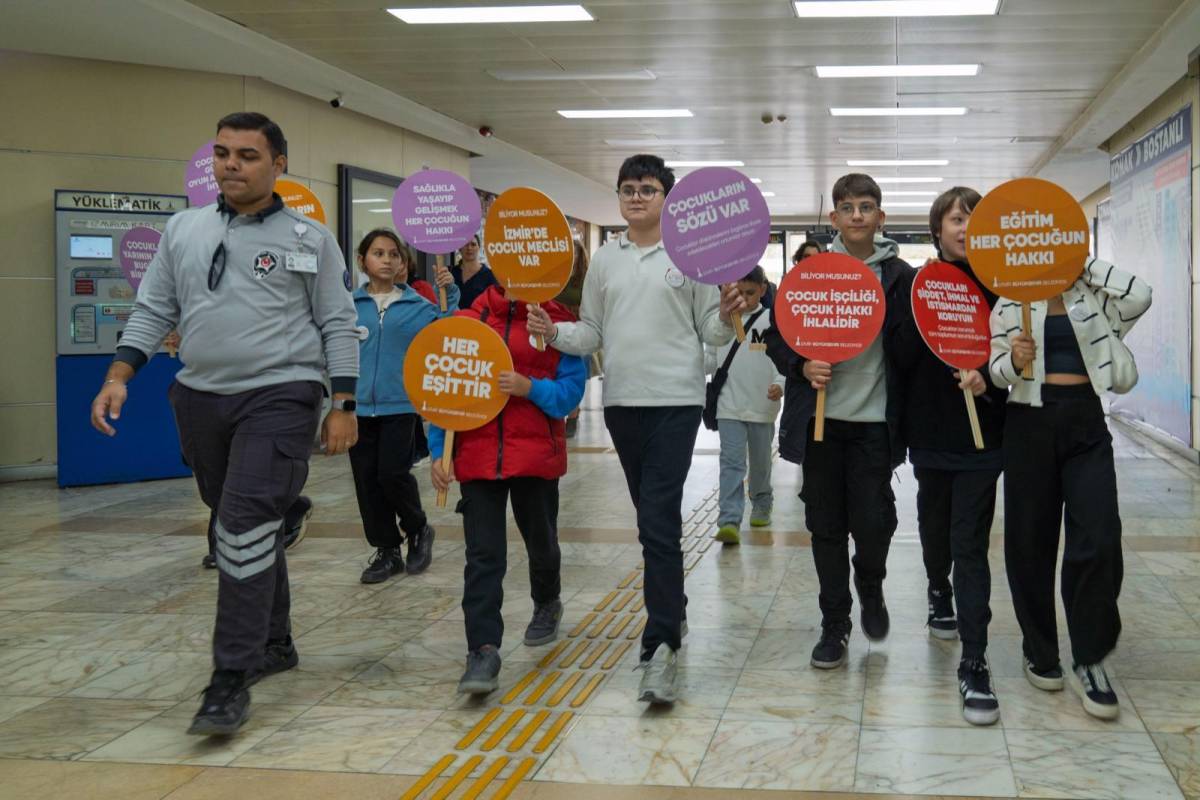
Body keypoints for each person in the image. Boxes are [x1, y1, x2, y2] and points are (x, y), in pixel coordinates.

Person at [89, 112, 359, 736]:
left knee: (238, 526)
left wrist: (342, 403)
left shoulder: (308, 238)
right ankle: (275, 641)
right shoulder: (182, 229)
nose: (231, 165)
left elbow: (338, 322)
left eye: (247, 155)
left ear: (278, 165)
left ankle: (230, 679)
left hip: (282, 393)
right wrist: (118, 376)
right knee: (239, 519)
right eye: (222, 153)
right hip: (200, 396)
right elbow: (155, 306)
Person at [527, 153, 745, 704]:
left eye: (648, 188)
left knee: (657, 522)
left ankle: (660, 644)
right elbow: (592, 332)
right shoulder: (605, 260)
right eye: (628, 188)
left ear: (667, 198)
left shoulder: (690, 255)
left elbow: (711, 335)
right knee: (653, 518)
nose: (637, 197)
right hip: (622, 404)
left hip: (675, 401)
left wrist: (724, 311)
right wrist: (553, 332)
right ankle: (675, 609)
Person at [990, 254, 1151, 721]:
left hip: (1085, 421)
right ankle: (1039, 649)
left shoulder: (1093, 295)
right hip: (1027, 424)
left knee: (1098, 537)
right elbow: (996, 370)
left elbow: (1141, 294)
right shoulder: (1010, 302)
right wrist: (1013, 362)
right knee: (1029, 543)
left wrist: (1083, 264)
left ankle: (1090, 655)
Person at [764, 173, 911, 670]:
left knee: (873, 523)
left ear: (880, 217)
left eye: (866, 207)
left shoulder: (901, 277)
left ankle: (870, 582)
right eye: (846, 207)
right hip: (821, 424)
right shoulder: (813, 273)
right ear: (834, 218)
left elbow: (914, 345)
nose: (856, 216)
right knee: (825, 526)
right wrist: (802, 365)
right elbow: (780, 337)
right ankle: (835, 623)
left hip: (874, 423)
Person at [429, 284, 586, 694]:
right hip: (478, 459)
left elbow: (570, 393)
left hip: (535, 458)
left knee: (541, 541)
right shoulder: (466, 321)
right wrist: (437, 453)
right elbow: (444, 389)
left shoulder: (559, 324)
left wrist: (529, 387)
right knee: (483, 556)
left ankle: (547, 600)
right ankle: (482, 650)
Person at [891, 187, 1006, 725]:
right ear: (937, 229)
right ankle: (937, 587)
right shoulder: (918, 284)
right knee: (935, 528)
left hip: (986, 435)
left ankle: (975, 660)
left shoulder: (1006, 286)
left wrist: (991, 381)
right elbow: (900, 358)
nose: (964, 227)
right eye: (955, 219)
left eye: (974, 219)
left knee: (971, 545)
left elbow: (1015, 363)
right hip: (932, 431)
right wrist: (928, 323)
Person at [351, 229, 458, 584]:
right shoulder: (348, 307)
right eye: (378, 253)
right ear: (363, 260)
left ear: (403, 263)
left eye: (394, 254)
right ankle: (387, 551)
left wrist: (450, 293)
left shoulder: (418, 307)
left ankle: (418, 528)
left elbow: (447, 333)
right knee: (367, 481)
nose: (386, 260)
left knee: (392, 474)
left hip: (400, 406)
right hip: (357, 408)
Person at [705, 266, 784, 543]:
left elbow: (782, 361)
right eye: (739, 292)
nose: (745, 299)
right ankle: (729, 518)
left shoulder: (772, 320)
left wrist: (780, 384)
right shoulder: (722, 321)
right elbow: (710, 359)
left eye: (751, 293)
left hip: (762, 405)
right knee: (731, 462)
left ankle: (762, 500)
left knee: (761, 461)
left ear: (763, 289)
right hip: (729, 405)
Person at [555, 239, 591, 438]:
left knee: (576, 374)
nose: (572, 257)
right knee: (557, 373)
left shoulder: (585, 278)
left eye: (575, 254)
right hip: (556, 330)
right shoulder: (555, 277)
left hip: (578, 330)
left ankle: (574, 415)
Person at [451, 234, 498, 310]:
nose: (469, 248)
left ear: (479, 248)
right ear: (459, 248)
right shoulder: (451, 273)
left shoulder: (490, 276)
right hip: (454, 319)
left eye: (473, 244)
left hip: (478, 320)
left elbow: (495, 304)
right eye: (465, 244)